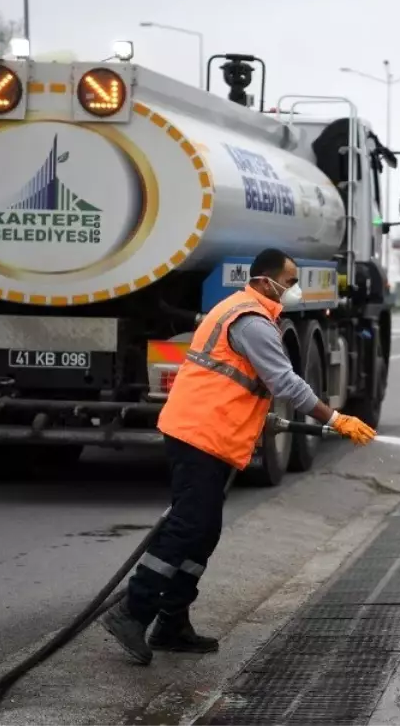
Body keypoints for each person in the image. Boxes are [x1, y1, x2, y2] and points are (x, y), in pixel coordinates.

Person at [100, 248, 376, 664]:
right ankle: (132, 612)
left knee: (203, 530)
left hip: (212, 435)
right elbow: (285, 383)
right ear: (266, 281)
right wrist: (334, 417)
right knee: (187, 526)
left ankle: (171, 623)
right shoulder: (249, 321)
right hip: (198, 434)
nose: (294, 289)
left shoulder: (248, 312)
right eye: (289, 280)